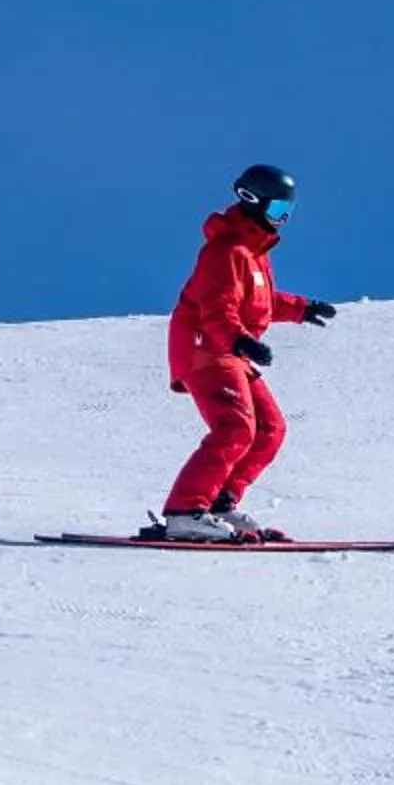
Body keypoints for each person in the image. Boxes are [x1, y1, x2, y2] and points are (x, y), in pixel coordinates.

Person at [152, 166, 337, 541]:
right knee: (235, 426)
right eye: (276, 209)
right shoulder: (224, 251)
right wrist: (241, 340)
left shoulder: (254, 255)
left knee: (270, 428)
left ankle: (219, 503)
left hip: (230, 350)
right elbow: (217, 307)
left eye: (288, 210)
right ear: (253, 201)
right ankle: (185, 512)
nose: (283, 219)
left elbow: (262, 302)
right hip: (206, 347)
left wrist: (301, 309)